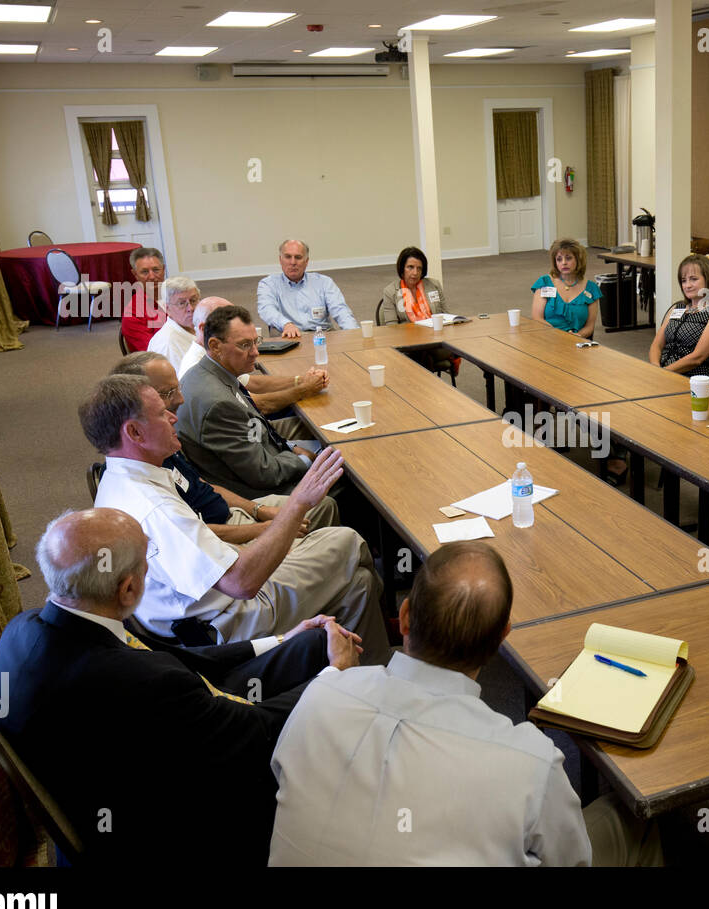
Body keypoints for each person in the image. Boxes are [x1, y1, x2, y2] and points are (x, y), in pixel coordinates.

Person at [0, 508, 364, 864]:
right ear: (128, 589)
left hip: (119, 765)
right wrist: (336, 675)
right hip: (170, 822)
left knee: (312, 645)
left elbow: (177, 659)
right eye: (145, 559)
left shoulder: (24, 628)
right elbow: (258, 732)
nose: (150, 564)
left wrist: (283, 639)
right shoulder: (142, 683)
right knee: (332, 715)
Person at [270, 541, 661, 867]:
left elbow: (283, 774)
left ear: (404, 617)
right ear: (501, 639)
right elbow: (572, 861)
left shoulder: (320, 696)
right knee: (633, 823)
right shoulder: (530, 760)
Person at [81, 372, 387, 655]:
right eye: (161, 414)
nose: (174, 417)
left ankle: (357, 677)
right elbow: (242, 583)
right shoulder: (153, 507)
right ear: (134, 432)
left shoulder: (123, 478)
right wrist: (298, 503)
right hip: (227, 621)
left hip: (210, 600)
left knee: (360, 584)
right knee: (347, 540)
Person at [111, 351, 340, 541]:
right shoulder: (143, 479)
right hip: (227, 541)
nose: (181, 399)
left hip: (232, 512)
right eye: (169, 393)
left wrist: (258, 510)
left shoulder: (157, 447)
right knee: (347, 544)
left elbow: (201, 484)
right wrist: (265, 528)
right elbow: (193, 535)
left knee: (327, 507)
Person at [176, 306, 321, 498]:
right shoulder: (218, 404)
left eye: (256, 342)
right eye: (244, 345)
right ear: (215, 346)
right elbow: (264, 474)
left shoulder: (209, 373)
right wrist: (304, 460)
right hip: (260, 491)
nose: (255, 353)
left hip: (263, 451)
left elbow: (253, 431)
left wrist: (291, 448)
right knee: (343, 473)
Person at [178, 296, 329, 418]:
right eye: (226, 318)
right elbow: (255, 404)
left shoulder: (215, 355)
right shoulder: (196, 365)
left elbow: (253, 383)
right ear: (204, 329)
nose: (256, 352)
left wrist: (301, 380)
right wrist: (304, 389)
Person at [378, 245, 460, 375]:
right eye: (410, 267)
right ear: (402, 268)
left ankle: (420, 384)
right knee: (419, 354)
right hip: (409, 343)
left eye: (419, 268)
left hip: (436, 339)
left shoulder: (433, 285)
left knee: (421, 356)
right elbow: (391, 328)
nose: (415, 273)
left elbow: (446, 315)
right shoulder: (390, 291)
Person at [648, 254, 709, 380]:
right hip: (662, 372)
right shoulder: (677, 308)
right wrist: (655, 368)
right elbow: (656, 345)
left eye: (693, 279)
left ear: (707, 280)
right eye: (683, 280)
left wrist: (664, 372)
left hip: (692, 379)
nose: (687, 285)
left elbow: (697, 357)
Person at [256, 238, 357, 338]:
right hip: (290, 336)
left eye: (298, 257)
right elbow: (267, 310)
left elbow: (341, 310)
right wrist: (286, 324)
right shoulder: (268, 284)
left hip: (322, 335)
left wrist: (354, 333)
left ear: (306, 261)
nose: (293, 262)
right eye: (288, 257)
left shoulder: (324, 282)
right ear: (280, 260)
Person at [530, 238, 600, 339]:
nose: (564, 263)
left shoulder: (591, 289)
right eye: (559, 259)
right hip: (547, 339)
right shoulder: (545, 283)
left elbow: (589, 327)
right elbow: (537, 318)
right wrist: (559, 335)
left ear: (578, 260)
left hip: (576, 341)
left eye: (568, 258)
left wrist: (576, 336)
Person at [145, 276, 200, 369]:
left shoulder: (199, 324)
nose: (190, 308)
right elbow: (182, 382)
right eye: (182, 303)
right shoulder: (167, 344)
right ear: (167, 309)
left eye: (193, 300)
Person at [119, 247, 166, 352]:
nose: (152, 276)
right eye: (145, 272)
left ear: (164, 269)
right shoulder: (133, 314)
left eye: (156, 270)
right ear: (135, 274)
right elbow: (153, 354)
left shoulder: (180, 298)